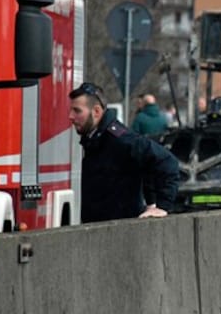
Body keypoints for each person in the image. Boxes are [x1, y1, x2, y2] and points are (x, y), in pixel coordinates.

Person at [68, 82, 180, 223]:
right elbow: (144, 167)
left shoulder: (120, 139)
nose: (70, 116)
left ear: (96, 111)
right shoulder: (94, 139)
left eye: (77, 111)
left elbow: (166, 161)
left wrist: (163, 206)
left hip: (118, 232)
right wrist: (150, 201)